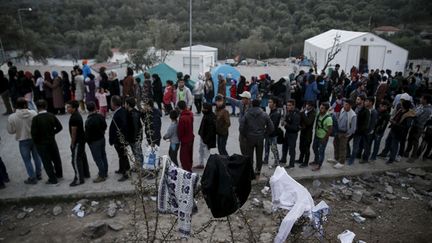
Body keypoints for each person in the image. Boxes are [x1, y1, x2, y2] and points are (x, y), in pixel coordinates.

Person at [7, 98, 42, 184]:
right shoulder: (33, 113)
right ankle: (39, 174)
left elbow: (11, 131)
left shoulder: (12, 117)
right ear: (26, 105)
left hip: (23, 141)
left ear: (15, 106)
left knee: (27, 160)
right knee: (37, 157)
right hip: (34, 138)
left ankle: (32, 177)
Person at [31, 99, 63, 184]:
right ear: (46, 106)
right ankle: (59, 174)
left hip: (41, 144)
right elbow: (59, 127)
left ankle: (52, 179)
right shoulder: (51, 115)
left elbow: (33, 134)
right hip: (52, 141)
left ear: (37, 108)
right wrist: (53, 133)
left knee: (46, 161)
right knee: (56, 159)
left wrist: (37, 142)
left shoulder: (35, 119)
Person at [240, 99, 274, 178]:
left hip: (249, 138)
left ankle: (250, 172)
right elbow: (271, 128)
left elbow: (241, 127)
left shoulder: (247, 114)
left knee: (249, 156)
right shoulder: (264, 114)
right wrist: (265, 134)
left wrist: (245, 135)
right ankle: (258, 171)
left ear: (252, 104)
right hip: (260, 138)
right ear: (259, 105)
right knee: (259, 155)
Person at [379, 100, 415, 164]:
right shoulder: (401, 110)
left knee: (394, 146)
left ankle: (391, 159)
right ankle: (384, 153)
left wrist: (395, 123)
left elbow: (406, 126)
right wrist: (392, 121)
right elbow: (396, 117)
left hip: (398, 132)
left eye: (401, 104)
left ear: (404, 106)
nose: (400, 105)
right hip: (393, 129)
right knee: (388, 142)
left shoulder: (408, 116)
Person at [66, 100, 90, 186]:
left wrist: (72, 143)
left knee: (75, 160)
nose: (67, 109)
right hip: (82, 140)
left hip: (78, 142)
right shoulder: (76, 115)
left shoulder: (74, 118)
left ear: (74, 108)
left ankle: (79, 179)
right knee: (82, 157)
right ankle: (86, 174)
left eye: (69, 107)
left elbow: (74, 132)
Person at [85, 101, 108, 183]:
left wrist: (88, 141)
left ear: (87, 109)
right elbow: (105, 126)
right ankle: (105, 172)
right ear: (95, 107)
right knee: (103, 156)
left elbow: (87, 134)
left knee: (98, 159)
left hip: (94, 142)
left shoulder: (88, 120)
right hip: (102, 139)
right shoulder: (100, 116)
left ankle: (102, 175)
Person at [109, 95, 130, 181]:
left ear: (114, 104)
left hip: (119, 139)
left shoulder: (119, 114)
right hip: (120, 139)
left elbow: (123, 127)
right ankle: (123, 168)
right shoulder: (121, 110)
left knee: (122, 156)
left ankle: (125, 173)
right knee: (122, 155)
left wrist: (117, 139)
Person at [331, 99, 357, 169]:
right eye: (344, 104)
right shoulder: (342, 109)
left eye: (346, 104)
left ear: (350, 106)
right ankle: (336, 158)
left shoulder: (353, 115)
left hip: (344, 133)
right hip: (338, 131)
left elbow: (353, 128)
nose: (344, 105)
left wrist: (348, 135)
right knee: (335, 144)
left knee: (342, 148)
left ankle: (341, 162)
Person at [405, 95, 432, 160]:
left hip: (419, 127)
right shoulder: (421, 105)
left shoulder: (428, 110)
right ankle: (407, 152)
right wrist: (413, 113)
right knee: (410, 139)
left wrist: (413, 115)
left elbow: (420, 119)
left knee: (415, 141)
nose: (420, 99)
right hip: (414, 125)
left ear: (425, 100)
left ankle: (413, 155)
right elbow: (415, 111)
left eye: (421, 98)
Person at [225, 91, 252, 155]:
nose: (241, 99)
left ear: (247, 99)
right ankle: (244, 157)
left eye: (243, 98)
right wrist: (225, 97)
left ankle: (249, 159)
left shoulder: (252, 106)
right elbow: (233, 100)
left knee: (248, 145)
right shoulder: (241, 103)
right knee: (241, 144)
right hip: (242, 128)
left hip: (249, 129)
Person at [347, 95, 370, 165]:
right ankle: (348, 154)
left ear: (362, 101)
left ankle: (352, 159)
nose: (357, 101)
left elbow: (365, 124)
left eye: (358, 99)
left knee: (355, 146)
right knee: (346, 141)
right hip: (351, 130)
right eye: (357, 99)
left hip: (358, 132)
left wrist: (358, 130)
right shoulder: (354, 108)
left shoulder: (366, 111)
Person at [311, 102, 333, 171]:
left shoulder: (329, 118)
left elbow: (330, 130)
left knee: (321, 152)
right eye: (320, 107)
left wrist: (325, 138)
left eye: (322, 108)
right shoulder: (318, 114)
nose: (320, 109)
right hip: (317, 135)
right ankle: (316, 160)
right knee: (314, 148)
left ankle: (319, 165)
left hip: (323, 137)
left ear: (326, 110)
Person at [280, 99, 300, 168]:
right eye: (287, 105)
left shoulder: (296, 115)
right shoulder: (289, 112)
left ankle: (291, 164)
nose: (288, 107)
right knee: (284, 147)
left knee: (291, 149)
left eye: (289, 105)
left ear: (293, 106)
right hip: (287, 132)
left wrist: (286, 124)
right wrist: (283, 122)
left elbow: (294, 128)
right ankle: (283, 159)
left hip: (293, 134)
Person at [124, 97, 144, 168]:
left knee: (138, 153)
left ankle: (140, 169)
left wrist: (134, 139)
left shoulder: (134, 114)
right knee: (136, 153)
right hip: (133, 138)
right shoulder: (131, 112)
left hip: (135, 138)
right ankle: (138, 165)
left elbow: (135, 128)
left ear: (128, 104)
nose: (124, 105)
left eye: (125, 103)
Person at [197, 103, 216, 169]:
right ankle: (201, 164)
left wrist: (206, 140)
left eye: (204, 108)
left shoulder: (210, 117)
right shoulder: (206, 114)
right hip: (203, 137)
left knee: (206, 153)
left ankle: (210, 167)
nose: (202, 110)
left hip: (207, 139)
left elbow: (211, 131)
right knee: (201, 151)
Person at [264, 97, 282, 168]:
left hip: (272, 134)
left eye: (270, 102)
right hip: (268, 134)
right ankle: (266, 160)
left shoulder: (276, 113)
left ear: (275, 104)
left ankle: (277, 162)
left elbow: (272, 125)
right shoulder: (272, 111)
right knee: (266, 147)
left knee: (274, 148)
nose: (269, 104)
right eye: (269, 102)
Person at [297, 101, 316, 168]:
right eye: (307, 105)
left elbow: (308, 122)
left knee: (306, 148)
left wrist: (302, 113)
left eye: (309, 105)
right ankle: (300, 159)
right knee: (301, 146)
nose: (307, 106)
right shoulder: (305, 112)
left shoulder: (313, 113)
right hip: (303, 131)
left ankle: (305, 162)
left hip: (308, 133)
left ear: (312, 106)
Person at [360, 97, 378, 163]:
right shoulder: (366, 109)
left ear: (371, 103)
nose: (365, 102)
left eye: (367, 101)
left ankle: (365, 159)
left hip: (368, 132)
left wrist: (369, 131)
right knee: (362, 143)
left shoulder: (374, 112)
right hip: (364, 130)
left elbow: (373, 123)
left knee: (367, 145)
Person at [177, 100, 194, 172]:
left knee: (184, 157)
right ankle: (189, 167)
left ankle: (187, 171)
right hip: (191, 137)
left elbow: (181, 131)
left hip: (185, 139)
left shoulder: (182, 118)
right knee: (189, 154)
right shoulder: (190, 114)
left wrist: (179, 138)